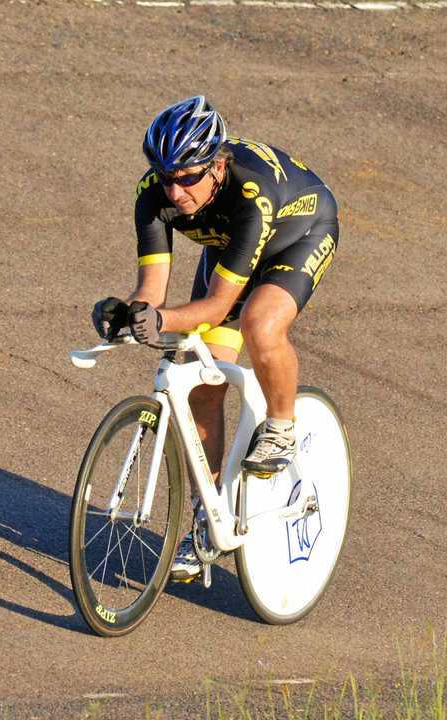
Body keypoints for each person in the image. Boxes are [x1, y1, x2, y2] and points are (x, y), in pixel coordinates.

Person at [90, 95, 340, 580]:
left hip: (299, 232)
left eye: (188, 178)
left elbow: (217, 308)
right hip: (231, 249)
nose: (176, 192)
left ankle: (282, 425)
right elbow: (153, 291)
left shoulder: (250, 194)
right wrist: (131, 312)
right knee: (202, 382)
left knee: (260, 324)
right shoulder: (154, 195)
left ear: (218, 166)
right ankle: (208, 518)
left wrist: (164, 321)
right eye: (167, 178)